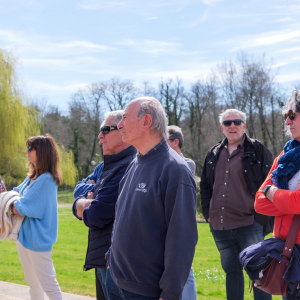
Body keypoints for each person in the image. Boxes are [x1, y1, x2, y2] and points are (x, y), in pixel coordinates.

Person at [105, 97, 198, 300]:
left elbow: (182, 239)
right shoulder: (135, 163)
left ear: (146, 121)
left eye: (125, 118)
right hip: (115, 281)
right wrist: (110, 259)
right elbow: (121, 216)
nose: (120, 125)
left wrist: (170, 293)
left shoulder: (175, 170)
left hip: (146, 291)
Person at [200, 108, 273, 300]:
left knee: (258, 273)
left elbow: (271, 183)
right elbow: (205, 186)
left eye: (237, 122)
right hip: (220, 226)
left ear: (244, 125)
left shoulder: (258, 150)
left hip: (249, 223)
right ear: (222, 128)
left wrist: (262, 219)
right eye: (227, 123)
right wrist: (208, 214)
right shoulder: (213, 153)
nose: (232, 125)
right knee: (232, 272)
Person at [73, 110, 137, 300]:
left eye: (105, 130)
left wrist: (82, 205)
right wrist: (85, 201)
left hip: (115, 261)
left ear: (123, 131)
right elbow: (78, 189)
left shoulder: (127, 166)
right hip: (101, 257)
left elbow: (97, 214)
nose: (100, 136)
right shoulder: (105, 166)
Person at [255, 90, 300, 300]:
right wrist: (286, 199)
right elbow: (259, 203)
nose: (287, 121)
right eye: (285, 116)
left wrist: (271, 191)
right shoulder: (285, 156)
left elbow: (297, 202)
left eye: (292, 114)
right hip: (286, 252)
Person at [12, 134, 63, 300]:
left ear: (41, 152)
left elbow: (19, 207)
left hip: (37, 239)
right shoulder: (31, 177)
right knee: (33, 283)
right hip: (24, 237)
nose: (26, 151)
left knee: (49, 284)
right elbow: (14, 193)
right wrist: (15, 200)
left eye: (30, 148)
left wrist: (14, 201)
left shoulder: (46, 179)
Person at [167, 125, 197, 300]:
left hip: (182, 228)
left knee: (185, 270)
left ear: (175, 142)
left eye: (164, 142)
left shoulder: (187, 164)